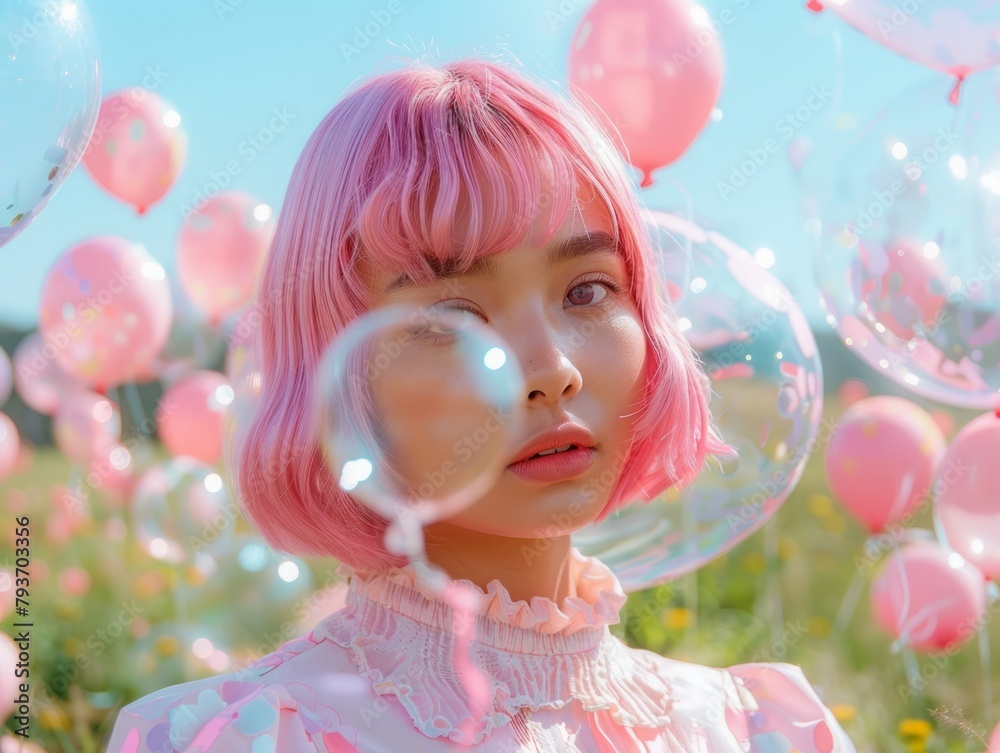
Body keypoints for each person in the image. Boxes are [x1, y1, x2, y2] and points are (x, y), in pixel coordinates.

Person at [106, 56, 857, 752]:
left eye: (588, 289)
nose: (552, 370)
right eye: (455, 318)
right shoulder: (244, 736)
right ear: (338, 370)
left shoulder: (755, 729)